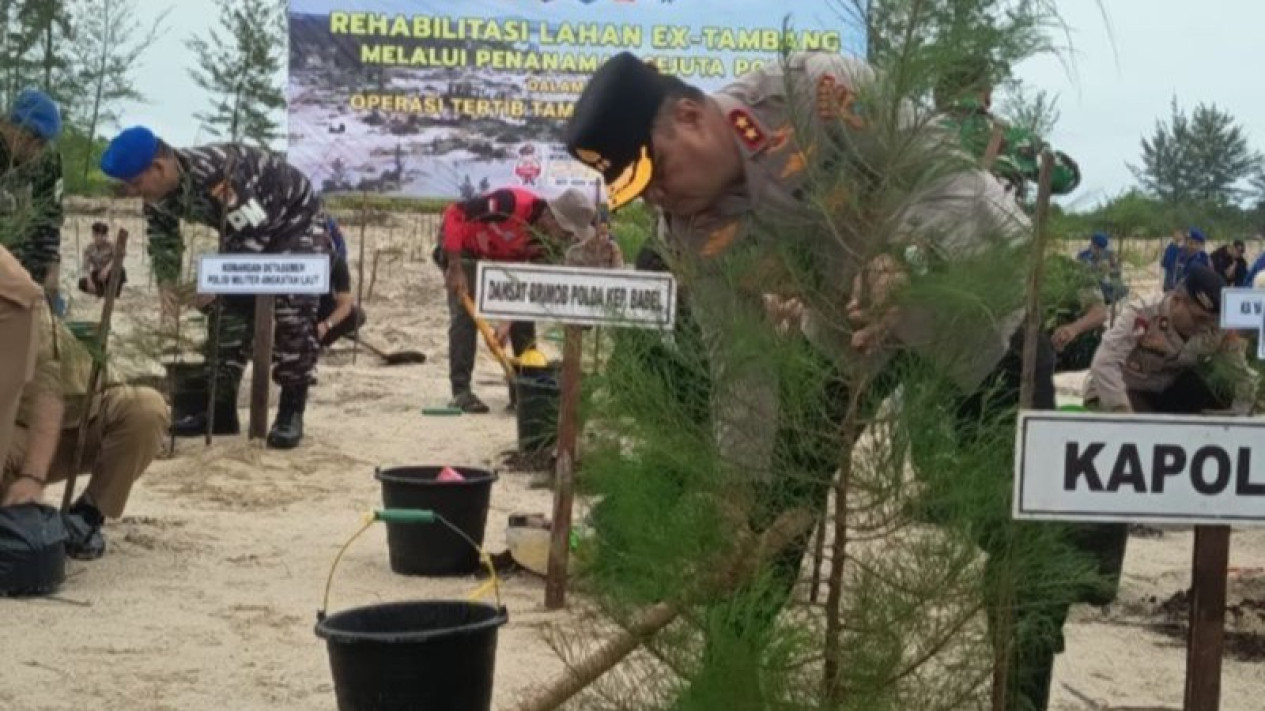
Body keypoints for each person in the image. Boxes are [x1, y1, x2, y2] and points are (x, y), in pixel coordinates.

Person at [565, 51, 1072, 709]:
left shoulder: (811, 93)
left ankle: (1020, 695)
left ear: (690, 115)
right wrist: (736, 493)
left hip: (974, 302)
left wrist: (907, 258)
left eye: (656, 173)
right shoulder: (689, 228)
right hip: (848, 331)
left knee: (1021, 518)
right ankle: (727, 682)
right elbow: (741, 363)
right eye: (640, 193)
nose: (658, 197)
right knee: (778, 504)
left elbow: (942, 174)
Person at [98, 126, 333, 449]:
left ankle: (291, 409)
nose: (135, 192)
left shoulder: (219, 175)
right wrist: (167, 283)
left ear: (159, 167)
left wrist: (219, 282)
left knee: (292, 311)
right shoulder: (158, 193)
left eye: (136, 183)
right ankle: (220, 411)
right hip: (246, 233)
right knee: (226, 315)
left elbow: (254, 232)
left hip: (295, 222)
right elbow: (163, 238)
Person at [1081, 265, 1257, 610]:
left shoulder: (1216, 327)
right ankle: (1098, 579)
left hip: (1167, 396)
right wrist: (1126, 419)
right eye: (1197, 317)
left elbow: (1241, 379)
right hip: (1120, 394)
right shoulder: (1141, 314)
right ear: (1177, 300)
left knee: (1214, 385)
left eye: (1210, 320)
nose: (1204, 326)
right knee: (1112, 484)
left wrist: (1238, 428)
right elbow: (1104, 365)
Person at [0, 299, 170, 559]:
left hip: (81, 420)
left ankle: (89, 514)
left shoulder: (20, 309)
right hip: (16, 434)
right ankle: (15, 522)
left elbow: (49, 396)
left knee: (145, 409)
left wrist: (32, 478)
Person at [435, 186, 596, 413]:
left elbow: (528, 289)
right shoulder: (509, 203)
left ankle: (523, 390)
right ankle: (461, 391)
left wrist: (507, 320)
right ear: (550, 216)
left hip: (503, 259)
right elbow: (455, 213)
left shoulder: (548, 245)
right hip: (464, 250)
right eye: (566, 230)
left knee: (523, 321)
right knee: (465, 315)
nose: (568, 237)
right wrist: (454, 265)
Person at [934, 57, 1080, 201]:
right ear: (985, 93)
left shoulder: (924, 131)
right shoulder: (1007, 135)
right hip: (985, 220)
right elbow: (1065, 178)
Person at [0, 89, 65, 310]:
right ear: (9, 127)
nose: (36, 149)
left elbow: (49, 219)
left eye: (43, 143)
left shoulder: (48, 161)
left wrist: (51, 265)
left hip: (28, 264)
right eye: (30, 139)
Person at [317, 253, 366, 348]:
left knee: (357, 315)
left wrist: (326, 325)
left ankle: (320, 343)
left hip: (322, 311)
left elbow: (345, 305)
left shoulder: (336, 262)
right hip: (294, 314)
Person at [77, 221, 126, 298]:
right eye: (96, 235)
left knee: (120, 271)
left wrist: (106, 269)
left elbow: (118, 258)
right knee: (82, 283)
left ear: (106, 236)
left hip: (111, 272)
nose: (99, 238)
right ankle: (101, 292)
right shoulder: (89, 249)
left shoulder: (111, 246)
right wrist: (89, 281)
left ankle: (111, 293)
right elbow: (86, 267)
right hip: (99, 274)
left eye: (102, 235)